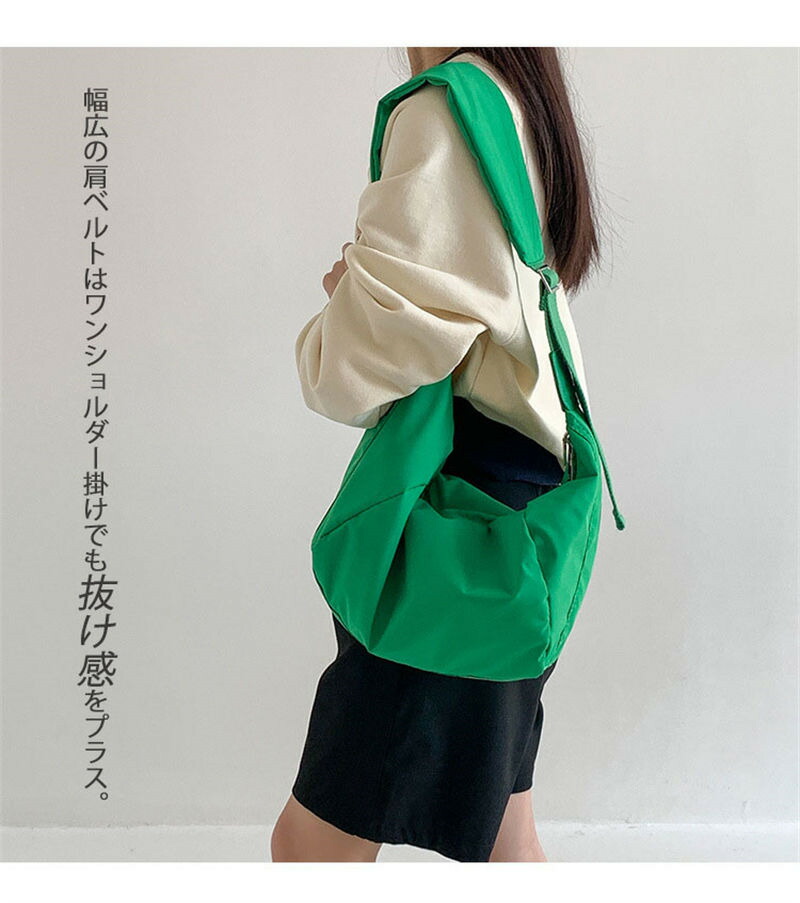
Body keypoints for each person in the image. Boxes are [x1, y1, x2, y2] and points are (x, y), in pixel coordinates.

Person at [272, 46, 603, 863]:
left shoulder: (444, 112)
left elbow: (354, 366)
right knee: (508, 836)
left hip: (454, 526)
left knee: (312, 846)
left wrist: (344, 303)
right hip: (519, 523)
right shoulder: (517, 100)